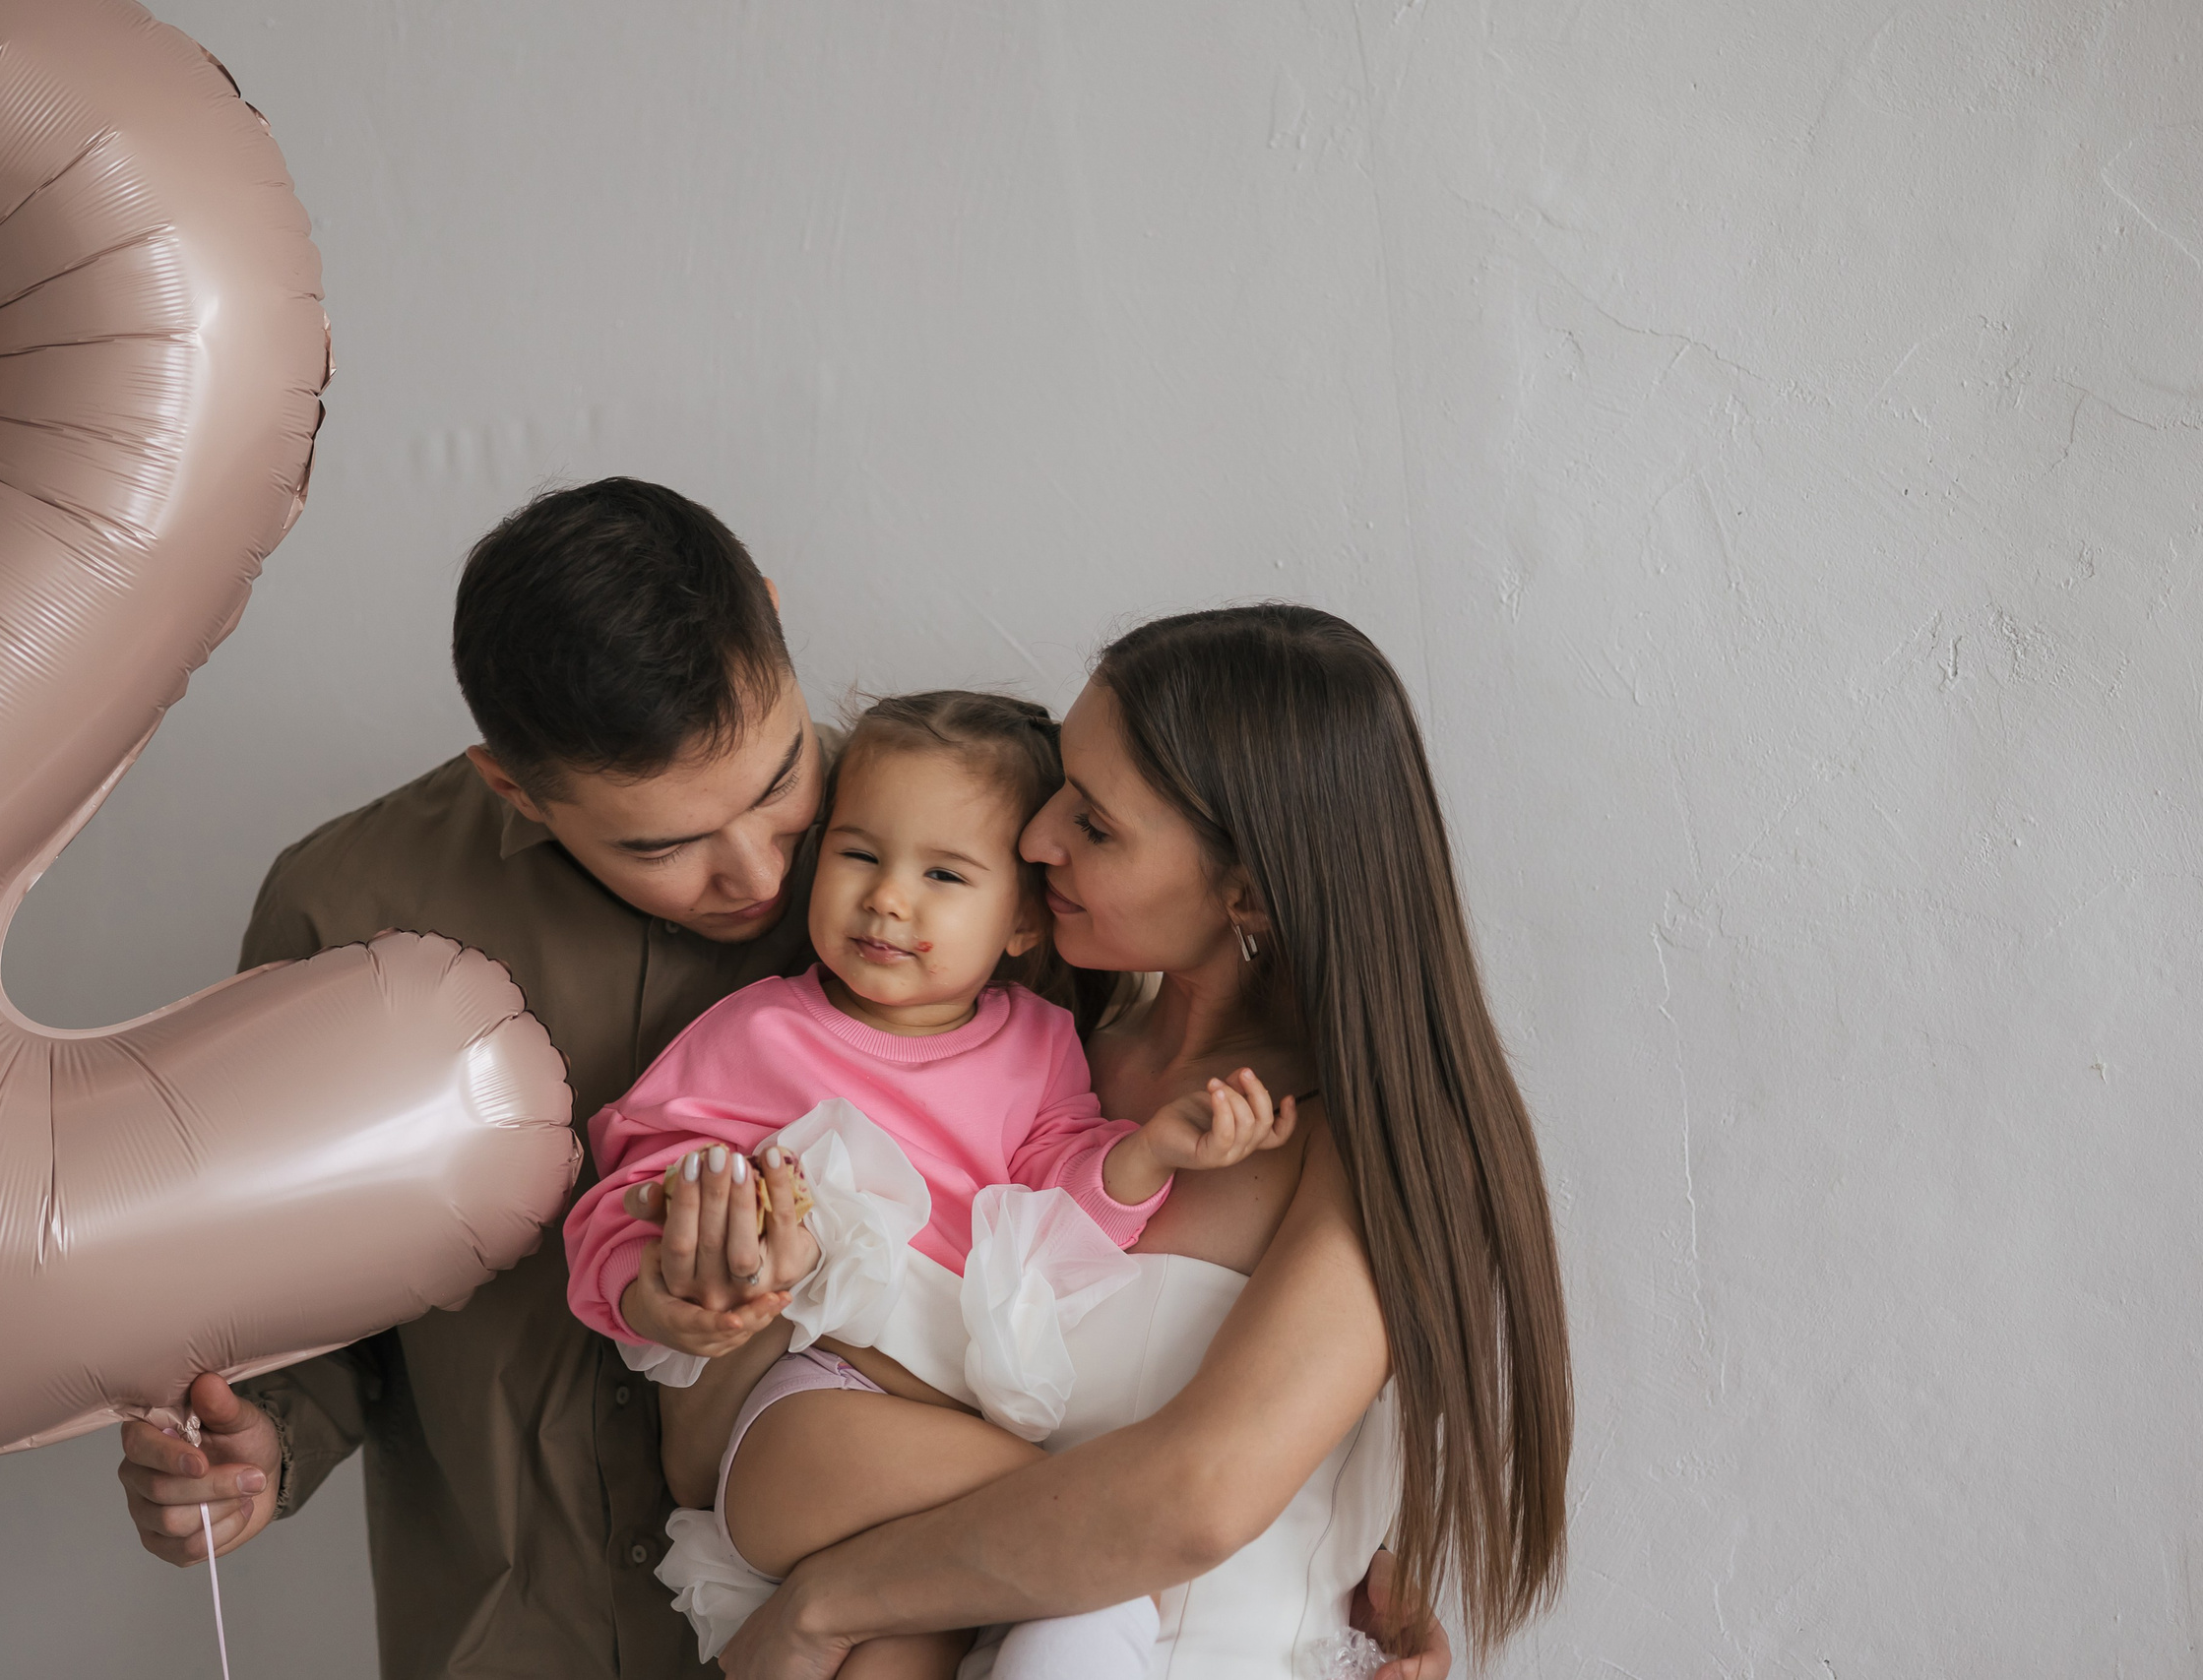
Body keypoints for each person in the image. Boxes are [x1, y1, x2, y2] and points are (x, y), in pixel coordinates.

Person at [669, 605, 1566, 1679]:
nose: (1034, 838)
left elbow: (1202, 1499)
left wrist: (826, 1604)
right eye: (1059, 788)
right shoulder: (1023, 1062)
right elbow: (721, 1438)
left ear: (1247, 893)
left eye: (1093, 825)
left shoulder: (1376, 1143)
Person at [111, 478, 835, 1680]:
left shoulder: (937, 857)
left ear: (769, 611)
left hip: (844, 1630)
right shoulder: (343, 915)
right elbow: (300, 1283)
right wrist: (258, 1443)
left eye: (779, 783)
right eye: (662, 844)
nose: (757, 872)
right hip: (506, 1633)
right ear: (513, 786)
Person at [563, 691, 1298, 1679]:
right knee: (1093, 1533)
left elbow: (1055, 1206)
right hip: (809, 1415)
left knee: (920, 1637)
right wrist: (650, 1286)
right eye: (859, 855)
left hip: (940, 1427)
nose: (887, 899)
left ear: (1025, 917)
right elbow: (637, 1181)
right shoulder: (759, 1031)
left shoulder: (1040, 1044)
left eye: (943, 874)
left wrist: (1151, 1154)